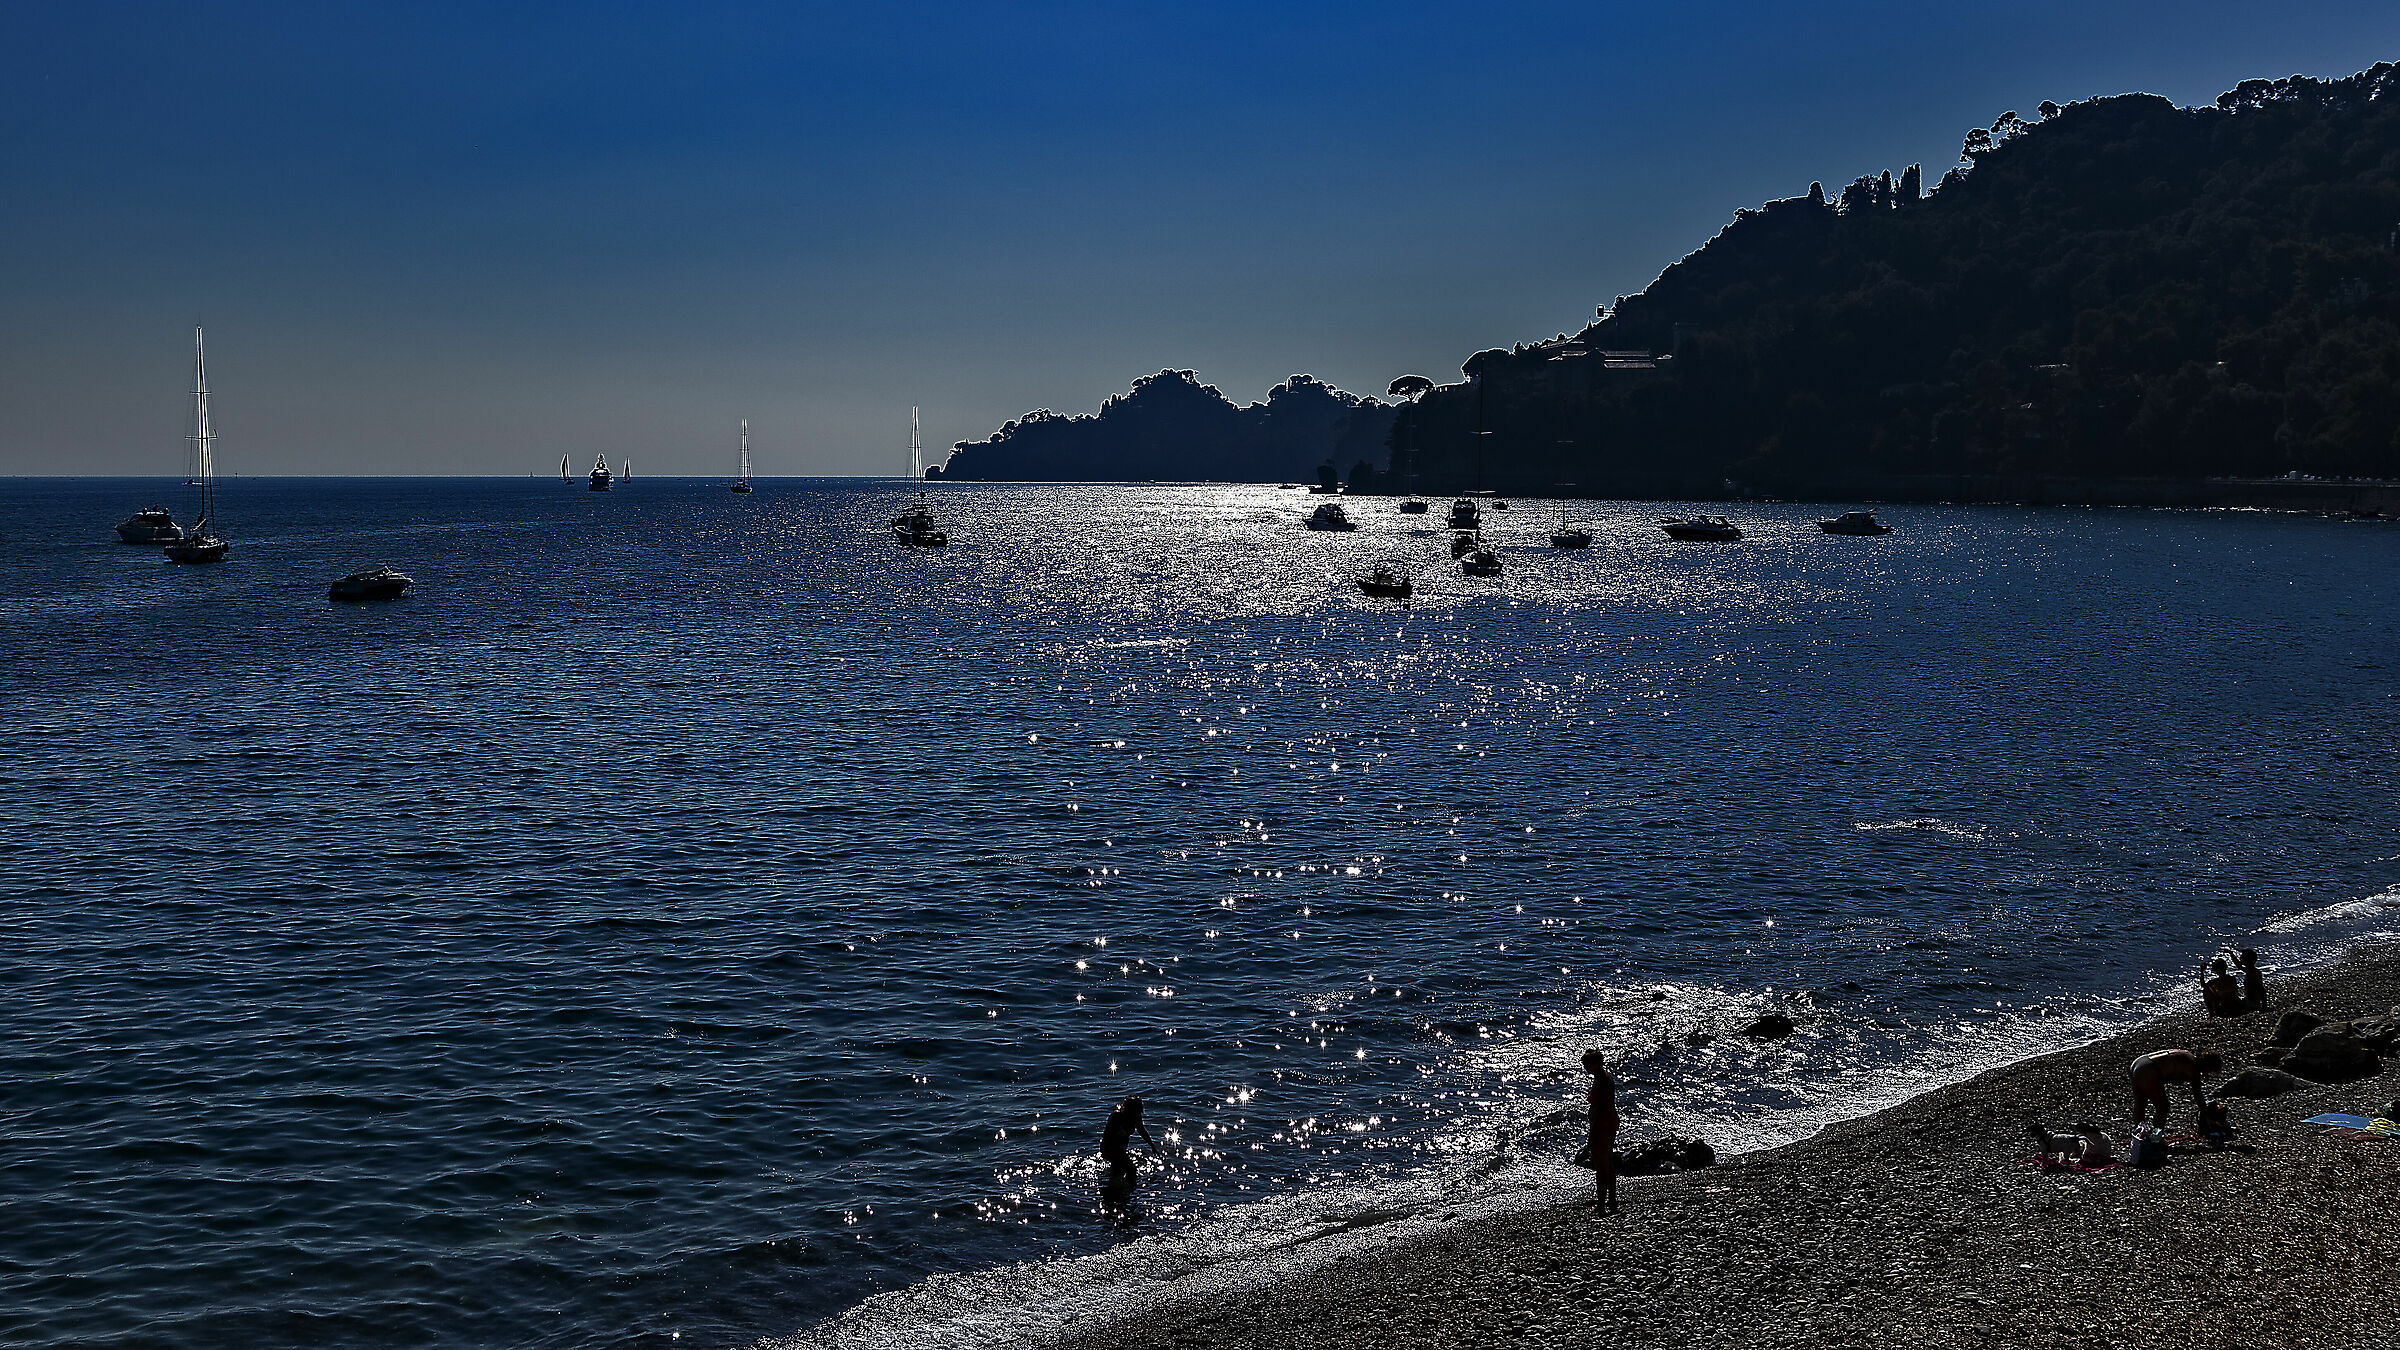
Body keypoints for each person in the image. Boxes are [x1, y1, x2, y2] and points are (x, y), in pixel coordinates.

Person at [2128, 1049, 2222, 1130]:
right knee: (2163, 1106)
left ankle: (2139, 1132)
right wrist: (2207, 1116)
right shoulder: (2193, 1067)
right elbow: (2197, 1094)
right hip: (2149, 1070)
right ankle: (2156, 1136)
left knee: (2140, 1102)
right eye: (2210, 1070)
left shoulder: (2188, 1055)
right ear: (2208, 1065)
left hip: (2138, 1063)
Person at [1582, 1048, 1619, 1213]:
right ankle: (1611, 1201)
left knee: (1601, 1166)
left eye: (1587, 1065)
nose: (1585, 1068)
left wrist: (1592, 1136)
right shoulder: (1604, 1076)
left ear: (1596, 1064)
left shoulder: (1601, 1081)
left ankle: (1602, 1204)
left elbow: (1601, 1109)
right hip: (1609, 1120)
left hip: (1602, 1123)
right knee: (1608, 1163)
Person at [1101, 1095, 1157, 1188]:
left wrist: (1152, 1146)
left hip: (1121, 1148)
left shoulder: (1136, 1117)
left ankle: (1117, 1189)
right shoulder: (1116, 1116)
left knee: (1119, 1171)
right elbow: (1109, 1136)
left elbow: (1142, 1131)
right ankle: (1129, 1189)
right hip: (1110, 1147)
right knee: (1131, 1170)